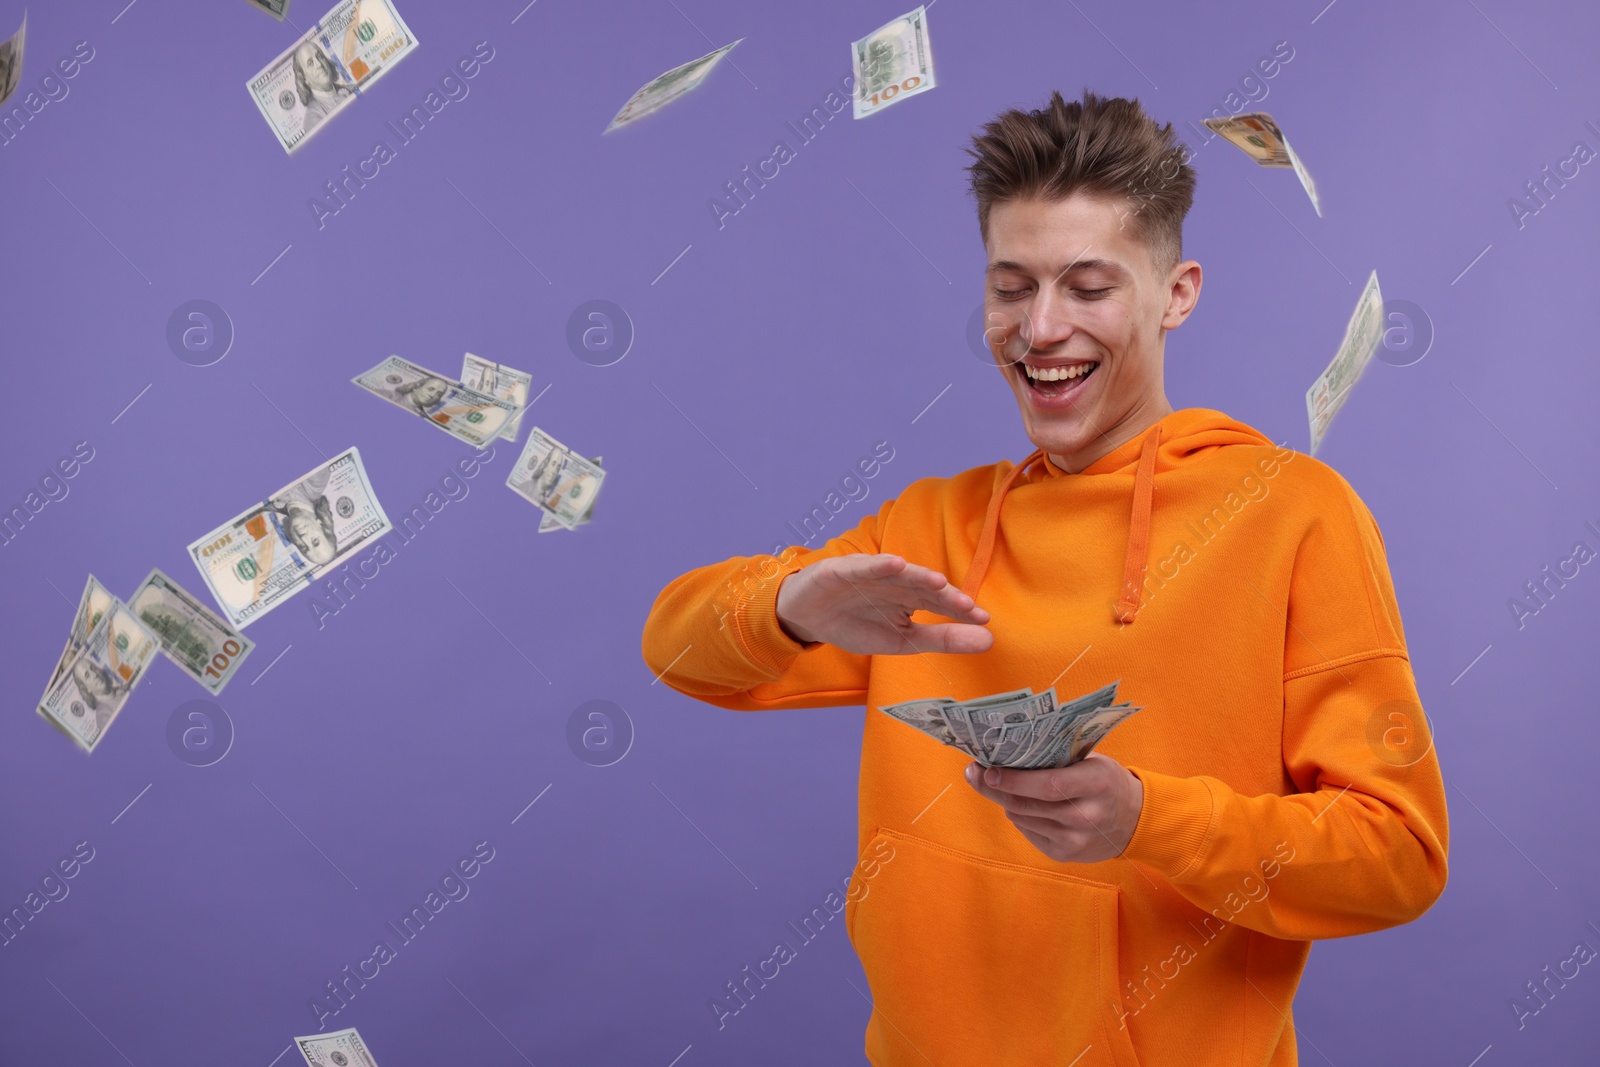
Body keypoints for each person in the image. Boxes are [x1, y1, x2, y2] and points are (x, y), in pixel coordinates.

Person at [641, 89, 1448, 1066]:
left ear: (1176, 292)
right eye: (1011, 285)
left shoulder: (1294, 512)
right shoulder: (934, 526)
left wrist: (1152, 820)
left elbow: (1398, 855)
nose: (1039, 327)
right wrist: (787, 604)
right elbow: (676, 652)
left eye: (1088, 286)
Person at [293, 41, 353, 136]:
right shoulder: (313, 117)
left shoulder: (351, 89)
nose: (319, 64)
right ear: (304, 79)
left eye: (320, 56)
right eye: (310, 63)